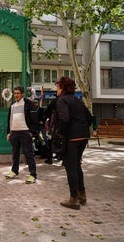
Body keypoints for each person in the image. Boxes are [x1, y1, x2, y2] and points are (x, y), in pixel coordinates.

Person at [53, 77, 92, 210]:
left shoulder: (62, 101)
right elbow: (89, 118)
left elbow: (64, 119)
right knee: (76, 165)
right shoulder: (78, 100)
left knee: (71, 167)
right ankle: (82, 194)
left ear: (62, 88)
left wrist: (61, 134)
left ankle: (73, 199)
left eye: (57, 87)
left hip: (72, 138)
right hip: (83, 137)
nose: (56, 90)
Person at [5, 85, 39, 184]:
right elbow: (9, 120)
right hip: (14, 132)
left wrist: (32, 132)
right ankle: (14, 171)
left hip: (25, 131)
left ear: (22, 94)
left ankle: (33, 174)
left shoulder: (28, 103)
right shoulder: (12, 105)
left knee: (29, 153)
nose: (16, 95)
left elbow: (34, 119)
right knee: (15, 153)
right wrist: (8, 132)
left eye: (18, 93)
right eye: (15, 93)